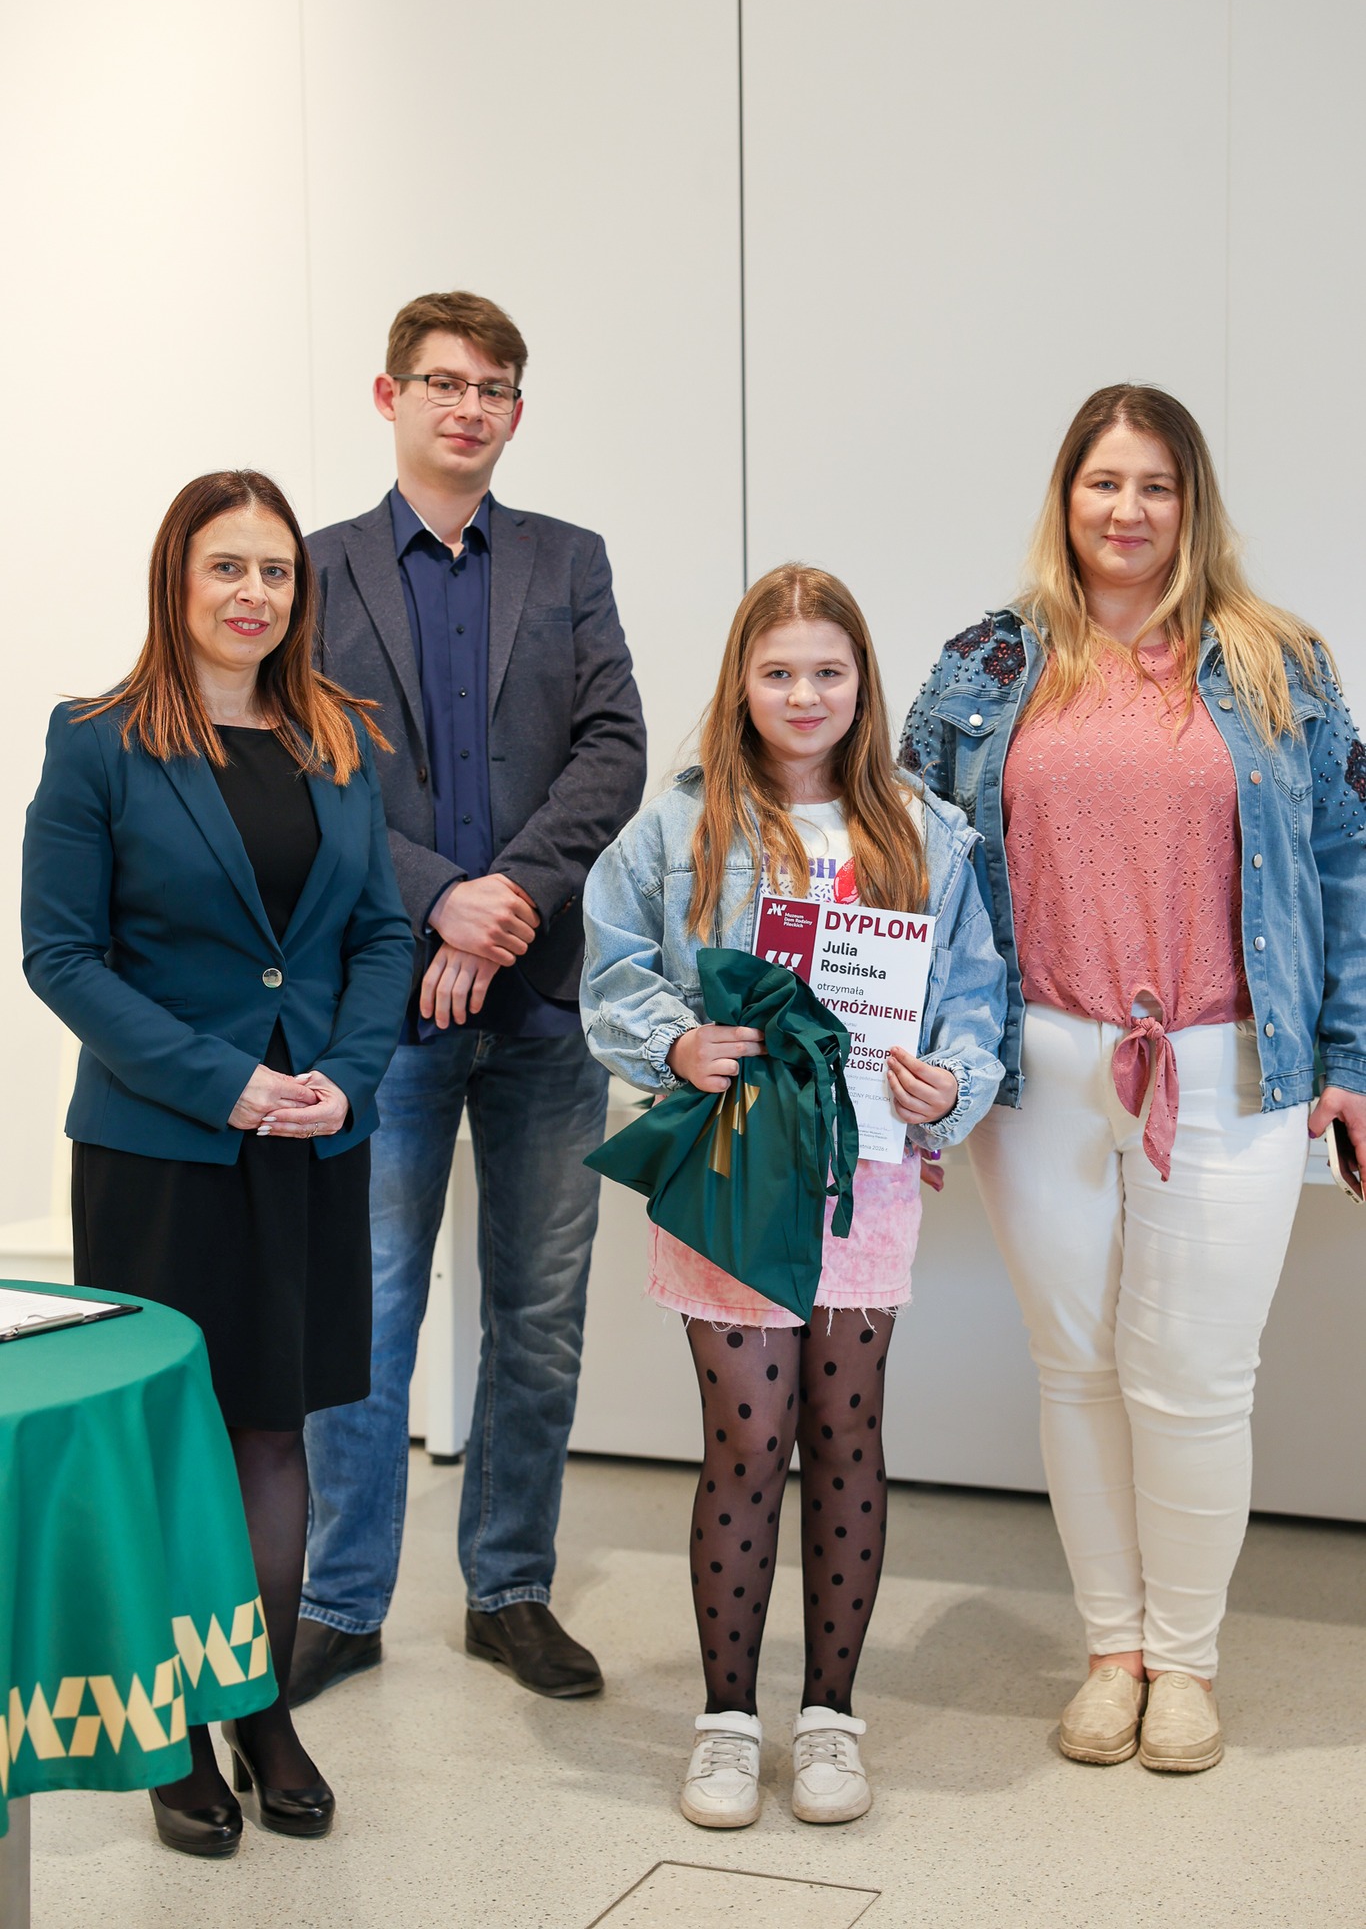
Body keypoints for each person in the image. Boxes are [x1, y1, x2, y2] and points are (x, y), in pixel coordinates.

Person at [903, 384, 1366, 1773]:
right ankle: (1112, 1651)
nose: (1126, 510)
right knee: (1079, 1367)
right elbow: (906, 866)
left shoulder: (1281, 662)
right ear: (1065, 497)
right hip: (1038, 1065)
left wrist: (1351, 1057)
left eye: (1155, 485)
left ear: (1190, 503)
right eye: (1102, 481)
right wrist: (906, 1060)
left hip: (1231, 1064)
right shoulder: (985, 665)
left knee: (1195, 1378)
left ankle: (1187, 1662)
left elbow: (1346, 864)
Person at [21, 471, 413, 1855]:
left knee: (273, 1426)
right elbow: (61, 955)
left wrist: (345, 1076)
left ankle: (261, 1710)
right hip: (162, 1146)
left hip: (309, 1133)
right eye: (227, 566)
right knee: (169, 1431)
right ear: (175, 580)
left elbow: (380, 934)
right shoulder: (97, 742)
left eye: (276, 571)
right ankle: (173, 1732)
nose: (254, 593)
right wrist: (221, 1081)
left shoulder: (338, 738)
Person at [581, 566, 1005, 1827]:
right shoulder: (681, 825)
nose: (803, 694)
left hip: (863, 1173)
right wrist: (673, 1041)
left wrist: (951, 1079)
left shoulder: (923, 831)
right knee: (747, 1440)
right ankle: (726, 1721)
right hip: (734, 1168)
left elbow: (972, 993)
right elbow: (610, 963)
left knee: (845, 1432)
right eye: (777, 672)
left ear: (863, 683)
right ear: (741, 683)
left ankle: (830, 1717)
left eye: (827, 670)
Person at [293, 291, 647, 1707]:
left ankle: (509, 1589)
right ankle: (338, 1599)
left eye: (492, 387)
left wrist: (503, 906)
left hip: (541, 1006)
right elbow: (302, 765)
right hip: (380, 1008)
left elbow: (613, 748)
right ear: (389, 397)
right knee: (368, 1311)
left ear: (516, 410)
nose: (468, 406)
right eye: (443, 382)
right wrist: (439, 893)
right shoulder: (315, 570)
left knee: (538, 1313)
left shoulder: (568, 560)